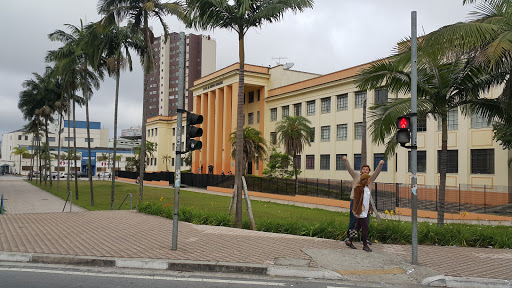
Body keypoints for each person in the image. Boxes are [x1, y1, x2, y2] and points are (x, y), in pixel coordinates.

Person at [343, 156, 384, 244]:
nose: (365, 170)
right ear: (361, 171)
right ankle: (349, 238)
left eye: (367, 169)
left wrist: (380, 165)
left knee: (365, 223)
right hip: (356, 202)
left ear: (369, 171)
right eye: (363, 169)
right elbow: (349, 169)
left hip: (366, 204)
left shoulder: (370, 179)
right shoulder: (356, 176)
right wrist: (346, 160)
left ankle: (363, 239)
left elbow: (377, 172)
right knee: (353, 221)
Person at [345, 173, 372, 252]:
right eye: (368, 179)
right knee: (365, 228)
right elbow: (356, 201)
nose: (369, 181)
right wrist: (356, 212)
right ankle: (365, 245)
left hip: (365, 211)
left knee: (357, 227)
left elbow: (367, 200)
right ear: (365, 180)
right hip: (360, 212)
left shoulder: (366, 188)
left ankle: (349, 241)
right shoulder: (358, 188)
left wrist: (369, 209)